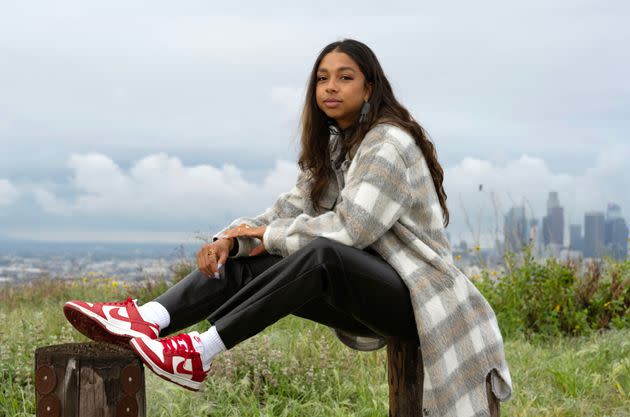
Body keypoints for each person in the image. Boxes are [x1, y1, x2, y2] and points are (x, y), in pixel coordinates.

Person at [63, 39, 512, 416]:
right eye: (322, 78)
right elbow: (288, 209)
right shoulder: (337, 146)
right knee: (246, 261)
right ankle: (149, 320)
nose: (330, 86)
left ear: (370, 87)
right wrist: (234, 240)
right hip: (368, 287)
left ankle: (199, 353)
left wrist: (269, 238)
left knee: (321, 254)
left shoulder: (388, 143)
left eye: (345, 76)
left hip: (420, 298)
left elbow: (352, 229)